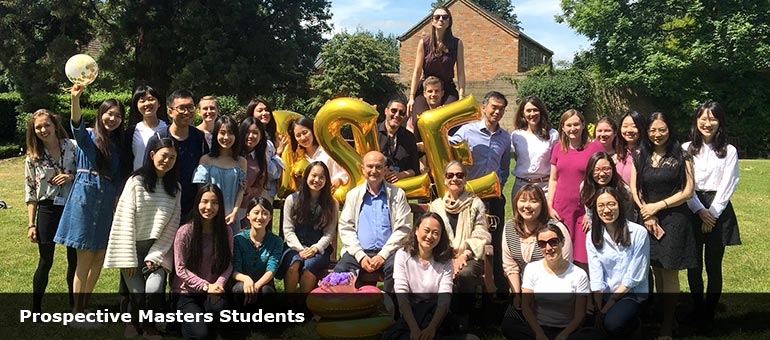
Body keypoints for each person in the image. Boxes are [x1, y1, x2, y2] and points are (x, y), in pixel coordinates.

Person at [55, 84, 124, 317]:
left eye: (117, 115)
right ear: (100, 114)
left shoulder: (117, 145)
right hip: (85, 199)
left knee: (99, 258)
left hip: (105, 202)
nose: (112, 118)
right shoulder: (90, 136)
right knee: (84, 259)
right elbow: (75, 125)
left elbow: (116, 176)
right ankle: (77, 311)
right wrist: (75, 99)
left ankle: (84, 306)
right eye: (109, 113)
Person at [105, 137, 181, 339]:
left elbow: (172, 226)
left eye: (172, 158)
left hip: (158, 250)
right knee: (137, 293)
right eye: (164, 155)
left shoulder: (175, 188)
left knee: (155, 290)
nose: (168, 161)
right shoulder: (135, 182)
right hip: (131, 247)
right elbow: (124, 220)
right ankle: (133, 323)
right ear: (152, 154)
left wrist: (156, 255)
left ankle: (149, 327)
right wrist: (128, 257)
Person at [630, 111, 695, 340]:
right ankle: (668, 317)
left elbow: (688, 190)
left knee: (669, 272)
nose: (657, 134)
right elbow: (635, 189)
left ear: (670, 129)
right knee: (656, 270)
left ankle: (666, 327)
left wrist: (658, 206)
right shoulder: (639, 154)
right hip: (648, 219)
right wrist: (647, 213)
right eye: (653, 130)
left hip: (675, 219)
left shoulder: (682, 155)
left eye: (662, 129)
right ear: (647, 132)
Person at [683, 102, 740, 324]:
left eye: (713, 119)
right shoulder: (686, 148)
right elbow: (684, 183)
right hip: (692, 206)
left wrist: (712, 212)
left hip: (719, 208)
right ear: (696, 121)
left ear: (720, 122)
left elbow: (729, 182)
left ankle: (709, 313)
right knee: (693, 265)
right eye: (703, 118)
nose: (707, 123)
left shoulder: (729, 150)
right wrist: (699, 210)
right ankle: (697, 309)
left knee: (714, 266)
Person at [450, 91, 511, 295]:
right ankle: (464, 279)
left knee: (493, 238)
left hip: (493, 198)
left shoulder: (505, 137)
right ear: (484, 107)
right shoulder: (467, 131)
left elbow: (504, 167)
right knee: (466, 235)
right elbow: (447, 146)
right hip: (467, 197)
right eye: (494, 107)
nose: (497, 111)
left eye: (501, 108)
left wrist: (499, 186)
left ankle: (494, 284)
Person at [382, 213, 479, 340]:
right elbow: (402, 297)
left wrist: (431, 328)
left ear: (440, 237)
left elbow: (444, 300)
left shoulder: (446, 260)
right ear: (416, 230)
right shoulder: (402, 255)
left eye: (435, 233)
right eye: (426, 231)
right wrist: (414, 329)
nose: (429, 236)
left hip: (436, 317)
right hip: (411, 317)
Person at [500, 184, 572, 339]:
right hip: (524, 293)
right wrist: (517, 294)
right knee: (509, 325)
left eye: (533, 201)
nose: (527, 206)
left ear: (542, 205)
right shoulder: (509, 228)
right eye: (522, 201)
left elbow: (564, 267)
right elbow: (510, 266)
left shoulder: (556, 229)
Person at [334, 151, 412, 292]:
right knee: (340, 271)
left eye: (378, 167)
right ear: (362, 169)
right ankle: (346, 311)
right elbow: (346, 227)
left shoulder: (397, 194)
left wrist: (383, 255)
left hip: (389, 252)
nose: (374, 171)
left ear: (385, 169)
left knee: (397, 269)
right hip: (358, 252)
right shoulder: (353, 195)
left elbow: (403, 228)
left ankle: (389, 309)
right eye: (370, 166)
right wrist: (360, 255)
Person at [24, 109, 77, 312]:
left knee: (74, 259)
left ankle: (74, 305)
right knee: (46, 260)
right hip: (47, 210)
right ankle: (36, 309)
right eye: (38, 127)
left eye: (47, 125)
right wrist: (31, 224)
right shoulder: (33, 157)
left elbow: (84, 172)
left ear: (55, 125)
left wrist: (70, 177)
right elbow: (30, 192)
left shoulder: (72, 146)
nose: (43, 129)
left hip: (72, 207)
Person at [506, 223, 598, 340]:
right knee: (509, 325)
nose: (548, 248)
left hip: (566, 330)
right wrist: (539, 333)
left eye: (553, 242)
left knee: (593, 335)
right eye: (542, 244)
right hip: (538, 328)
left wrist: (563, 335)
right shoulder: (532, 269)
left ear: (562, 242)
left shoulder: (579, 274)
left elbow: (580, 315)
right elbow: (526, 306)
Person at [429, 161, 491, 323]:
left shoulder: (475, 204)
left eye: (459, 175)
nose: (454, 179)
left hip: (470, 256)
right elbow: (433, 235)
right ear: (444, 179)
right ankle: (434, 313)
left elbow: (481, 233)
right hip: (443, 254)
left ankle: (462, 316)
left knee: (465, 274)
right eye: (450, 175)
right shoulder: (436, 206)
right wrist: (450, 258)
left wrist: (464, 256)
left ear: (465, 179)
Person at [587, 187, 649, 339]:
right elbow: (596, 273)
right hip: (606, 294)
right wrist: (598, 305)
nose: (606, 210)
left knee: (613, 324)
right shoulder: (592, 235)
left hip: (631, 294)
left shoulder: (639, 233)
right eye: (601, 206)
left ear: (620, 206)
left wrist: (606, 308)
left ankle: (635, 327)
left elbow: (633, 277)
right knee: (587, 320)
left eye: (611, 204)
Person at [173, 184, 233, 340]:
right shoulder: (185, 231)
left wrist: (218, 285)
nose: (209, 207)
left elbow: (228, 264)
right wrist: (206, 286)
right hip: (187, 294)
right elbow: (180, 269)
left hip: (214, 291)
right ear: (197, 203)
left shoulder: (226, 231)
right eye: (204, 201)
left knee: (222, 314)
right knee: (201, 335)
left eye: (214, 202)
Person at [547, 109, 603, 268]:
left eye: (576, 124)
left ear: (583, 125)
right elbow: (553, 179)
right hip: (561, 209)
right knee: (561, 254)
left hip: (583, 210)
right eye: (568, 125)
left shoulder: (594, 148)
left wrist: (590, 211)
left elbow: (600, 180)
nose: (573, 128)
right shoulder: (558, 148)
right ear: (562, 128)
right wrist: (549, 205)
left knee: (584, 257)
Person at [147, 89, 209, 220]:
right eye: (181, 108)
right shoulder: (159, 138)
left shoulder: (199, 138)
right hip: (161, 207)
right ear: (170, 112)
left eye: (190, 107)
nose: (187, 112)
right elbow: (147, 174)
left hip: (191, 209)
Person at [279, 161, 338, 295]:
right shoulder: (292, 199)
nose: (317, 180)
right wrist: (300, 248)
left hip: (319, 249)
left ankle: (304, 305)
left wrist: (315, 248)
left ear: (326, 180)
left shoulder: (332, 203)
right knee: (294, 264)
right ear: (306, 177)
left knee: (309, 267)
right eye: (314, 176)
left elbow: (329, 233)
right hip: (294, 246)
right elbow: (288, 230)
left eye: (321, 177)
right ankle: (289, 303)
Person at [406, 5, 465, 124]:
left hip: (447, 88)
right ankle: (419, 143)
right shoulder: (424, 43)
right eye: (437, 17)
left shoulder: (457, 44)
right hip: (426, 87)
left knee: (448, 119)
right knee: (418, 119)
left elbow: (460, 72)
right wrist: (411, 97)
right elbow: (417, 71)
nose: (441, 20)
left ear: (449, 21)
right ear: (432, 21)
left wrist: (461, 95)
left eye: (444, 17)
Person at [193, 115, 247, 231]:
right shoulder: (205, 160)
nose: (226, 137)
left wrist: (234, 212)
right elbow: (201, 191)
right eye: (222, 133)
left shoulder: (241, 162)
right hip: (209, 216)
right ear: (216, 134)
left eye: (230, 133)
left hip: (231, 218)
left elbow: (241, 190)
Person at [231, 197, 282, 306]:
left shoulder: (276, 241)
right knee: (239, 289)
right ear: (248, 215)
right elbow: (235, 270)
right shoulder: (238, 240)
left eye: (264, 213)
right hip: (242, 282)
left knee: (266, 292)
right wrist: (246, 279)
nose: (260, 217)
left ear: (270, 217)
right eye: (256, 213)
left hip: (264, 284)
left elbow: (272, 269)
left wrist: (256, 286)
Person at [510, 95, 559, 197]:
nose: (532, 114)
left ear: (541, 112)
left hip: (544, 187)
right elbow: (517, 157)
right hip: (521, 185)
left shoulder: (553, 134)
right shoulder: (516, 135)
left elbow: (556, 161)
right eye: (528, 111)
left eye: (535, 110)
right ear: (523, 113)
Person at [121, 85, 168, 181]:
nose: (147, 103)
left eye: (151, 99)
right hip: (138, 181)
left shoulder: (168, 130)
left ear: (159, 103)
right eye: (142, 101)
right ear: (137, 106)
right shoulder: (131, 132)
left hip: (162, 182)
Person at [288, 117, 348, 191]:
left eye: (305, 132)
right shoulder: (297, 159)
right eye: (298, 135)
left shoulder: (328, 152)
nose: (303, 138)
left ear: (312, 130)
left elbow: (344, 173)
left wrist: (339, 180)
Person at [579, 152, 634, 231]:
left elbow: (629, 219)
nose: (601, 174)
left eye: (606, 169)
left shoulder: (624, 191)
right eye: (596, 170)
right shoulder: (585, 187)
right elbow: (590, 217)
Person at [378, 98, 419, 183]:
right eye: (393, 111)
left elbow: (415, 170)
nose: (397, 115)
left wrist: (400, 175)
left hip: (400, 186)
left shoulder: (409, 137)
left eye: (401, 113)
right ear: (386, 111)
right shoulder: (373, 131)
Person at [613, 111, 647, 186]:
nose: (629, 130)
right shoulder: (618, 155)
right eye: (625, 126)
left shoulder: (647, 154)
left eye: (634, 126)